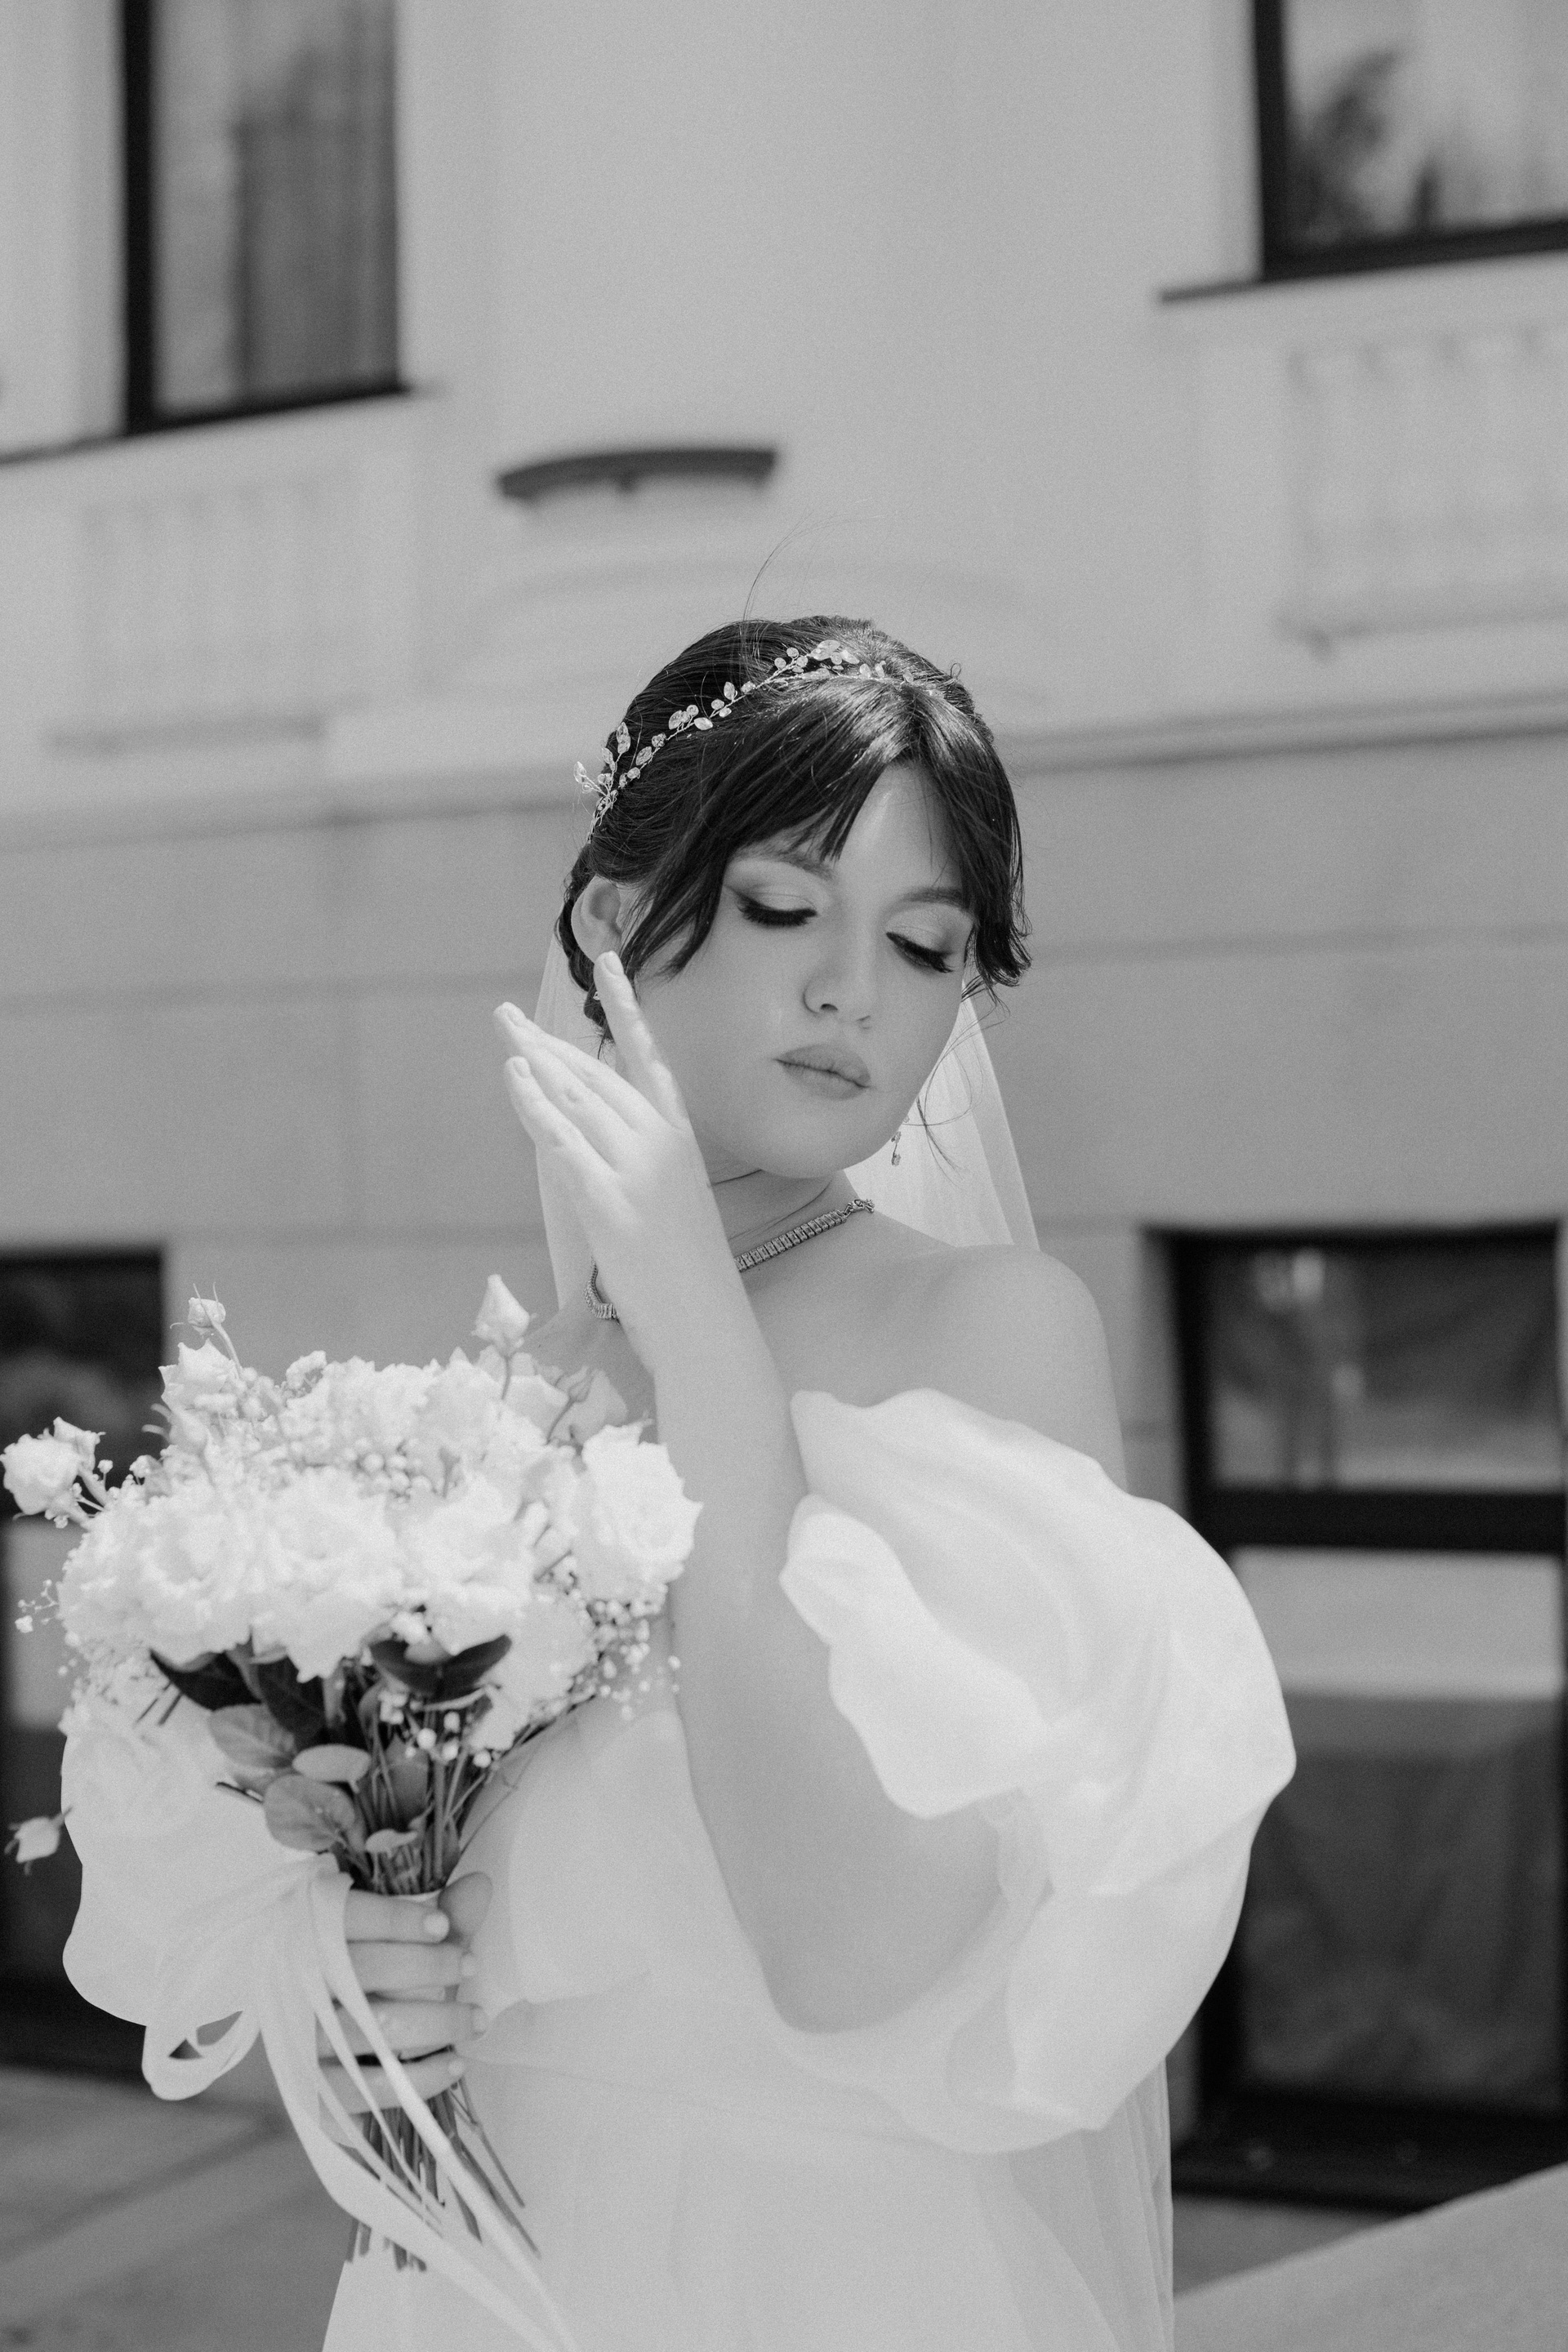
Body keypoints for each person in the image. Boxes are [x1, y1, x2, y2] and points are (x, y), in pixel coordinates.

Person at [318, 617, 1294, 2351]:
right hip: (493, 2283)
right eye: (786, 908)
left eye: (926, 946)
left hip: (824, 2286)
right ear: (615, 922)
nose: (857, 989)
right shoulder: (507, 1395)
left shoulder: (992, 1328)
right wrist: (365, 1992)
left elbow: (853, 1955)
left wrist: (703, 1332)